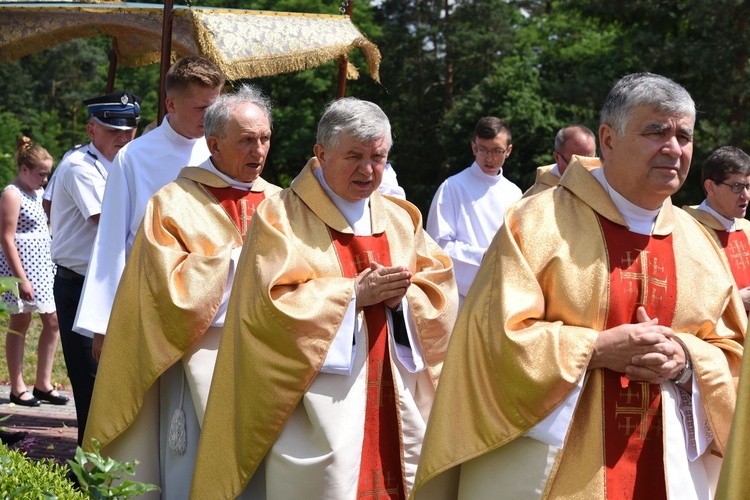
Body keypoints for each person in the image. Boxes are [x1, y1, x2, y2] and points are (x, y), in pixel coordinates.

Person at [413, 73, 745, 500]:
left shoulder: (698, 240)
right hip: (553, 467)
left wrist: (686, 360)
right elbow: (491, 341)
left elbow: (733, 353)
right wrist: (596, 349)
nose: (674, 148)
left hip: (674, 467)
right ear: (607, 139)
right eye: (656, 131)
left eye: (684, 135)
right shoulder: (534, 223)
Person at [190, 98, 458, 499]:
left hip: (396, 389)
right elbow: (267, 306)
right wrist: (353, 295)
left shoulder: (401, 218)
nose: (368, 170)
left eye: (378, 157)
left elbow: (440, 288)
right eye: (354, 156)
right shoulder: (281, 217)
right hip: (320, 400)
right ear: (321, 154)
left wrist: (403, 300)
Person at [82, 84, 281, 498]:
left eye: (264, 139)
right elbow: (164, 284)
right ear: (214, 144)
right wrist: (235, 265)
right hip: (195, 352)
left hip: (267, 359)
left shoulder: (282, 204)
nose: (258, 151)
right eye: (246, 140)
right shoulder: (173, 202)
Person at [72, 56, 225, 359]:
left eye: (215, 107)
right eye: (200, 109)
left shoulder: (222, 151)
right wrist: (103, 324)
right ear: (171, 105)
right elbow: (111, 240)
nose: (209, 118)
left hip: (211, 302)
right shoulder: (134, 157)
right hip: (148, 299)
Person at [50, 90, 141, 445]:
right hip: (82, 285)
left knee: (118, 379)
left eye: (129, 129)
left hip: (118, 285)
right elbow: (108, 219)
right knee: (91, 381)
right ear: (91, 129)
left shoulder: (127, 164)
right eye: (112, 129)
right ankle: (90, 469)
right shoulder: (80, 166)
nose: (123, 136)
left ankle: (112, 463)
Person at [426, 117, 521, 306]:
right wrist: (481, 257)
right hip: (463, 298)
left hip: (504, 295)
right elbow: (437, 247)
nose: (489, 158)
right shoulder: (452, 187)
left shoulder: (515, 193)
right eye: (483, 149)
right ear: (473, 147)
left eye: (496, 151)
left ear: (508, 151)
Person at [0, 137, 67, 407]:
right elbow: (6, 238)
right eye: (41, 173)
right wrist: (20, 280)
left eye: (48, 173)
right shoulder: (11, 194)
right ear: (24, 169)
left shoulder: (38, 193)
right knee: (20, 323)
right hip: (18, 269)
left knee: (53, 322)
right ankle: (17, 387)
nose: (45, 178)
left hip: (42, 267)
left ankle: (43, 383)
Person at [683, 146, 750, 312]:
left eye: (748, 186)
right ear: (710, 187)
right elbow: (684, 297)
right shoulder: (687, 229)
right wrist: (736, 300)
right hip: (714, 336)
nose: (746, 195)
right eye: (737, 186)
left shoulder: (747, 228)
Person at [523, 124, 598, 197]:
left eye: (590, 160)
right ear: (557, 157)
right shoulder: (539, 197)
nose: (585, 169)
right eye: (577, 164)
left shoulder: (601, 181)